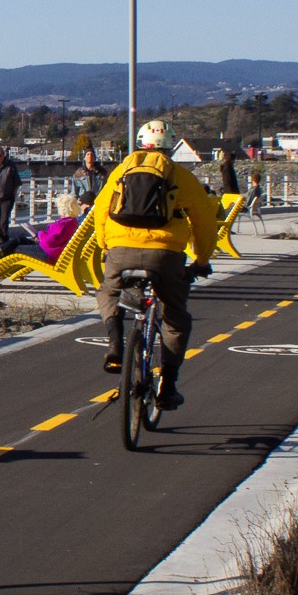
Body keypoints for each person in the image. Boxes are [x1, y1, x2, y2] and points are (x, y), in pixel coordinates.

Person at [93, 119, 218, 413]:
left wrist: (105, 245)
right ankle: (168, 386)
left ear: (140, 144)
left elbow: (100, 210)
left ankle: (115, 343)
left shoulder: (121, 171)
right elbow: (204, 222)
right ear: (169, 147)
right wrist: (201, 260)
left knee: (108, 292)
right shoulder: (181, 176)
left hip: (120, 250)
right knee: (175, 317)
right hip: (164, 255)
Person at [0, 192, 84, 260]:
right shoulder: (72, 222)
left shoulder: (63, 224)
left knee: (16, 248)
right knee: (20, 239)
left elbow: (48, 242)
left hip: (48, 253)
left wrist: (39, 233)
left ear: (63, 209)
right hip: (52, 250)